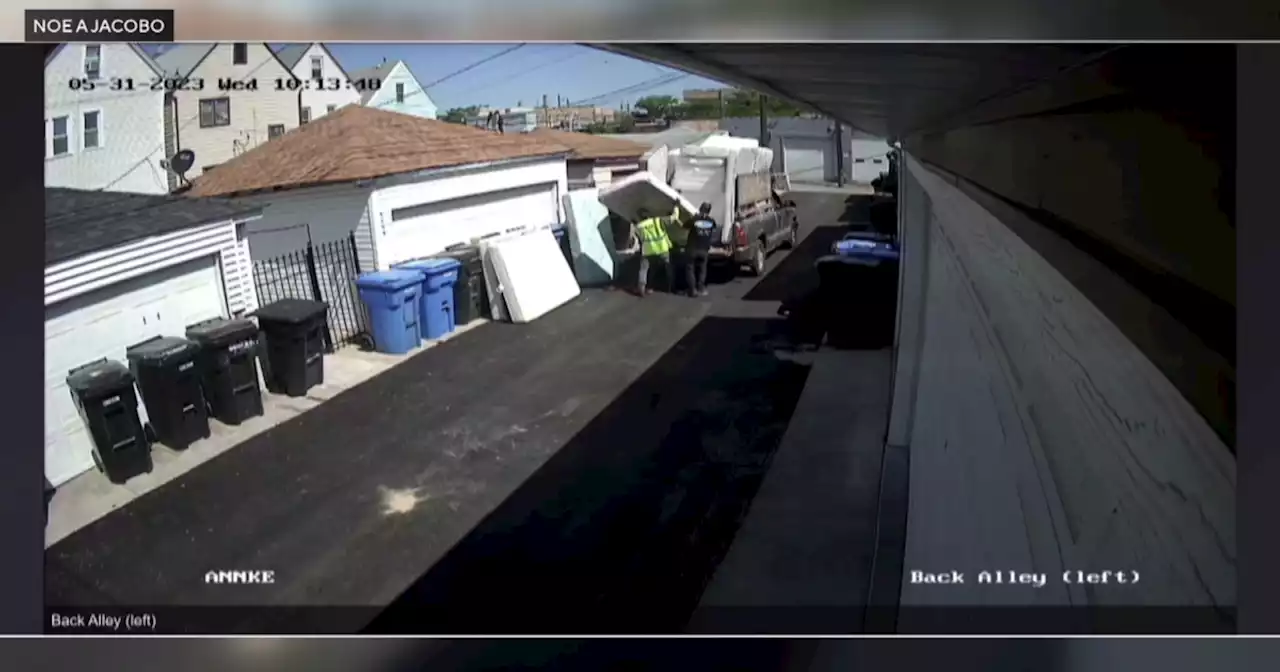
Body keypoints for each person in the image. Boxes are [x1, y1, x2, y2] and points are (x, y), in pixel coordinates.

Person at [626, 206, 676, 297]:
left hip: (648, 250)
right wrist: (675, 208)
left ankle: (642, 287)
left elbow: (638, 238)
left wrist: (634, 223)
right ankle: (671, 285)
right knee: (668, 266)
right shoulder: (657, 221)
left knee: (644, 269)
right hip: (662, 249)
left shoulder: (639, 226)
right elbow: (673, 218)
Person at [683, 202, 716, 297]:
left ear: (700, 209)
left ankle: (692, 290)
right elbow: (713, 227)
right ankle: (701, 288)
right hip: (704, 249)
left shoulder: (694, 219)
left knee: (690, 269)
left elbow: (684, 225)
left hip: (692, 249)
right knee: (702, 269)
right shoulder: (711, 221)